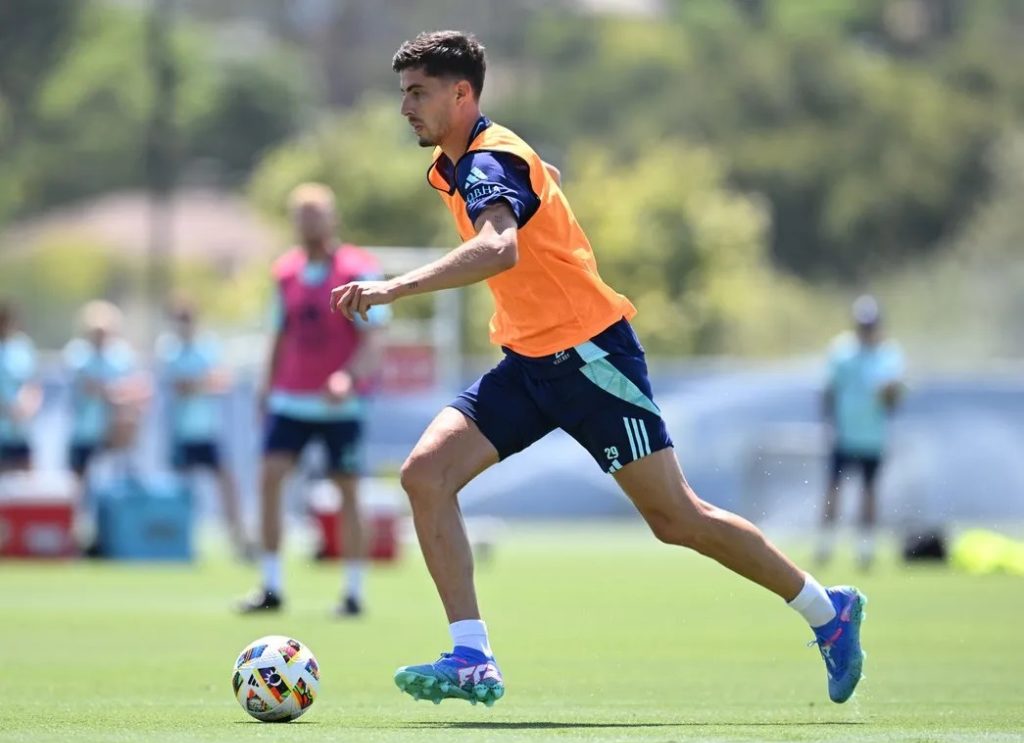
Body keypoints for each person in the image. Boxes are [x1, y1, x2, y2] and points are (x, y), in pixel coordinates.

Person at [329, 31, 867, 708]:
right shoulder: (462, 160)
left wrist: (392, 289)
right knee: (424, 474)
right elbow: (534, 181)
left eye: (419, 92)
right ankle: (472, 656)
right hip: (528, 363)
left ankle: (828, 611)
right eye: (403, 92)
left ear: (463, 94)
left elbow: (498, 249)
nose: (405, 106)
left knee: (677, 518)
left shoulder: (486, 162)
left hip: (591, 361)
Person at [238, 183, 389, 617]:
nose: (308, 222)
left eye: (316, 213)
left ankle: (354, 592)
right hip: (291, 400)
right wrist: (265, 388)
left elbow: (375, 338)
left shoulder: (359, 269)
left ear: (333, 218)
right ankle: (270, 586)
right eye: (300, 215)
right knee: (269, 477)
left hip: (341, 405)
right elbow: (278, 334)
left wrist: (348, 377)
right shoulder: (284, 272)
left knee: (348, 491)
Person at [157, 298, 249, 558]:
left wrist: (198, 383)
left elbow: (220, 380)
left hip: (208, 430)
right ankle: (179, 542)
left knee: (227, 483)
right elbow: (181, 386)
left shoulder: (207, 347)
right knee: (181, 490)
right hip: (181, 432)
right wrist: (201, 382)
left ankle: (237, 540)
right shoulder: (169, 350)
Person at [819, 295, 904, 570]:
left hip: (872, 436)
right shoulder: (842, 351)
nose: (866, 330)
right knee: (833, 489)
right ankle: (825, 543)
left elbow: (893, 400)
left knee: (869, 492)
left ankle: (864, 547)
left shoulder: (888, 354)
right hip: (844, 434)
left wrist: (890, 393)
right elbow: (830, 391)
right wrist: (828, 424)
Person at [63, 301, 149, 479]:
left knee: (116, 481)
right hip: (84, 431)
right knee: (79, 480)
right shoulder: (77, 355)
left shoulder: (122, 356)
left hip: (114, 432)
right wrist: (111, 391)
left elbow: (132, 389)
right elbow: (88, 387)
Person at [0, 301, 42, 473]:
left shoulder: (23, 347)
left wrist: (27, 407)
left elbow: (33, 383)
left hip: (20, 431)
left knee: (24, 485)